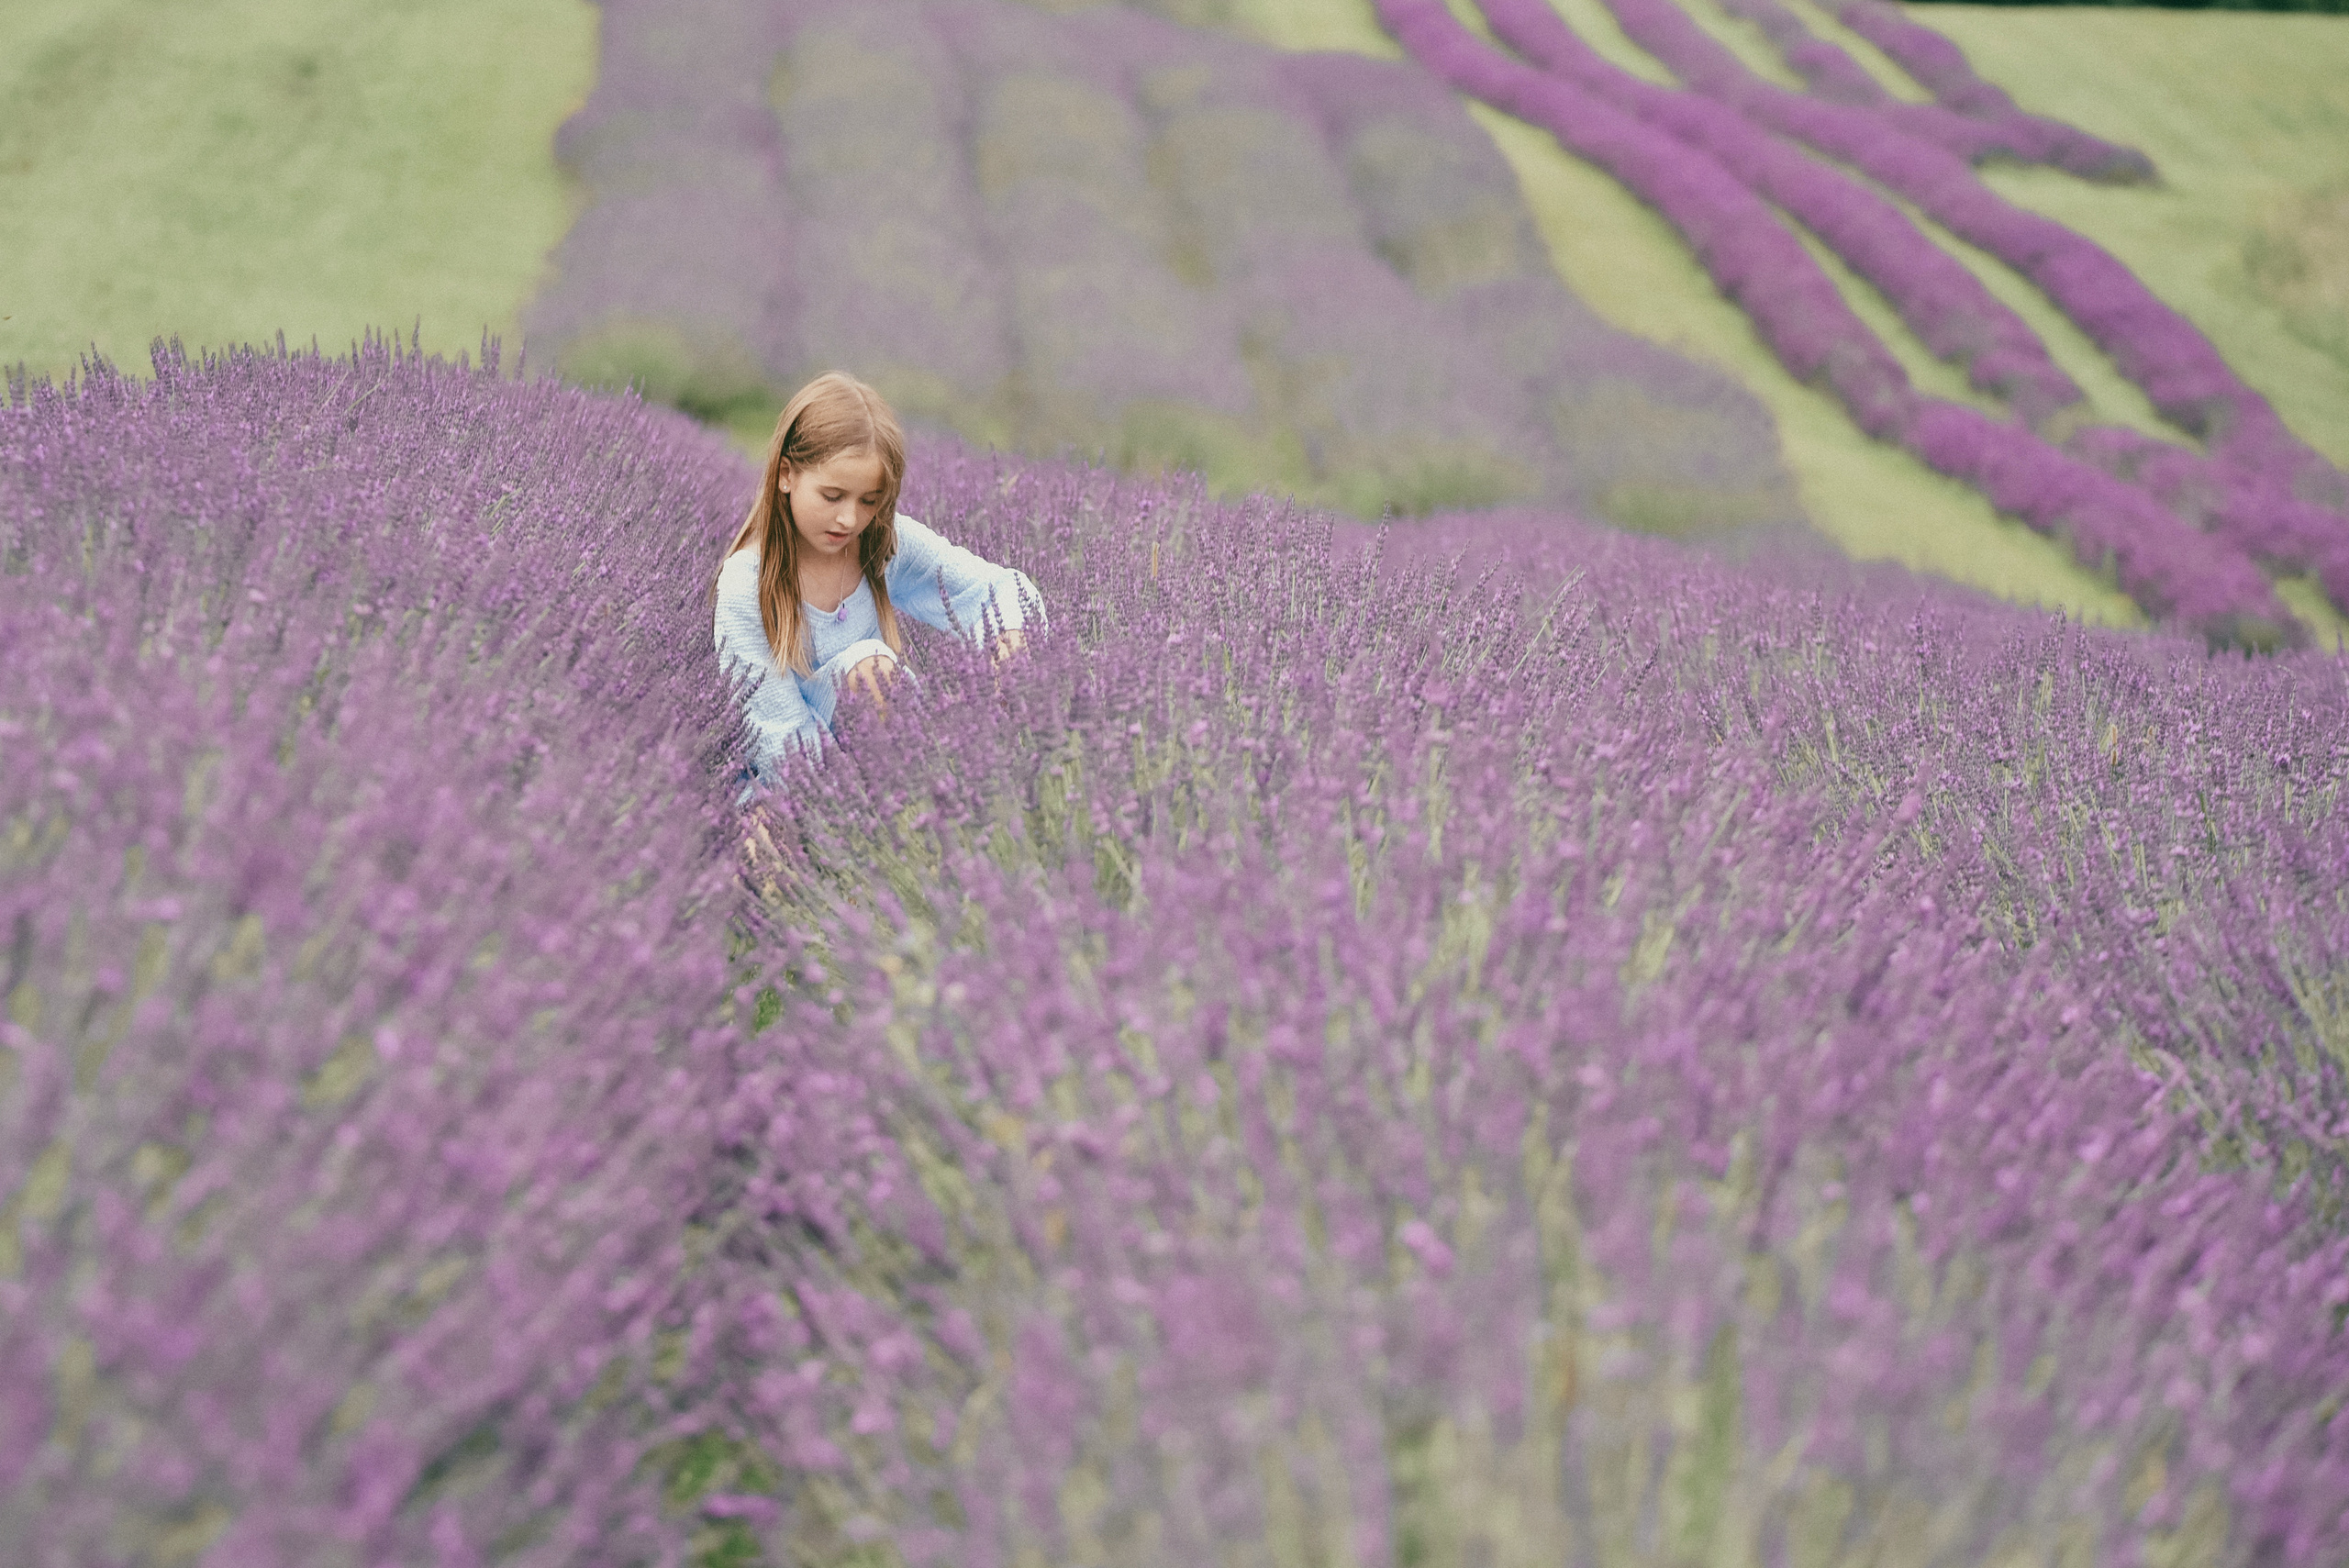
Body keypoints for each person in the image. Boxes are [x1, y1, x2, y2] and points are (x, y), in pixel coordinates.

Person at [715, 373, 1041, 790]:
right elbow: (777, 736)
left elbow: (999, 589)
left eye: (869, 501)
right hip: (797, 781)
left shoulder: (879, 543)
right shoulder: (747, 584)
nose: (849, 519)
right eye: (832, 497)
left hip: (898, 763)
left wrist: (1009, 638)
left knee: (877, 675)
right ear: (785, 475)